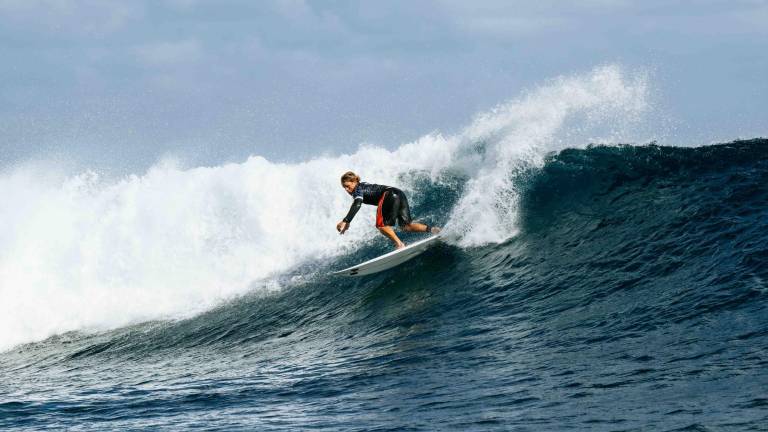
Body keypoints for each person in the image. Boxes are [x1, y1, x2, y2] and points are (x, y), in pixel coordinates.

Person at [336, 171, 440, 249]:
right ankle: (434, 230)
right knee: (406, 226)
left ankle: (399, 244)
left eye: (347, 186)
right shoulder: (362, 186)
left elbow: (357, 203)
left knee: (381, 226)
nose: (346, 189)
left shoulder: (358, 189)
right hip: (399, 193)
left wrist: (346, 220)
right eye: (344, 188)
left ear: (354, 182)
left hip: (389, 194)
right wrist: (348, 221)